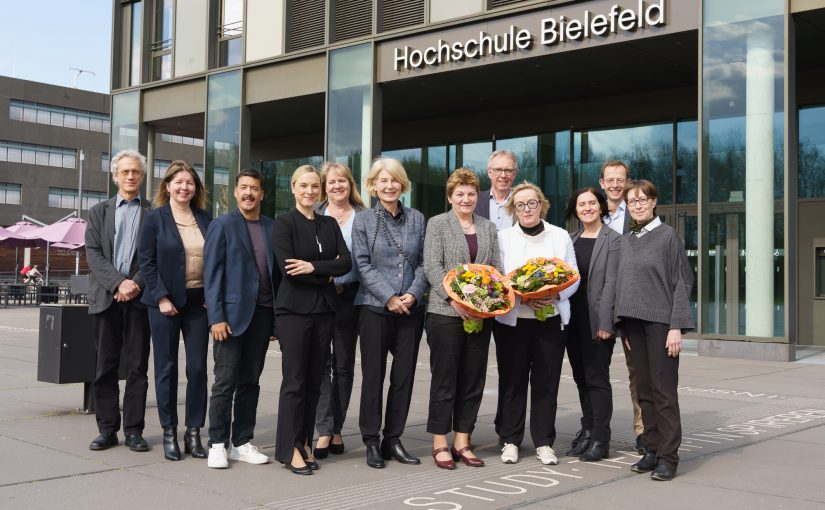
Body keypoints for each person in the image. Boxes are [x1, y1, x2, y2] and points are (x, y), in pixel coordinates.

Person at [272, 165, 352, 475]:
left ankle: (304, 441)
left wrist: (314, 267)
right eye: (303, 185)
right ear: (293, 188)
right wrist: (326, 271)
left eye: (314, 186)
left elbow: (345, 262)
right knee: (294, 382)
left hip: (324, 312)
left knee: (315, 385)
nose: (309, 191)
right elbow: (289, 269)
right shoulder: (283, 225)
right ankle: (289, 448)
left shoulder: (329, 223)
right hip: (294, 312)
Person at [494, 182, 579, 466]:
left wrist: (556, 293)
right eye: (520, 205)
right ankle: (510, 440)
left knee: (546, 382)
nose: (527, 209)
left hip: (550, 322)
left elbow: (573, 275)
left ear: (541, 204)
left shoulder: (560, 235)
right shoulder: (503, 237)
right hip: (515, 322)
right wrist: (522, 298)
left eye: (532, 203)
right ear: (512, 209)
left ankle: (544, 442)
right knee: (513, 381)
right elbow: (500, 279)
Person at [614, 179, 694, 481]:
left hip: (660, 324)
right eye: (631, 202)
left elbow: (682, 282)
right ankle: (651, 448)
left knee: (663, 392)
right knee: (643, 392)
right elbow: (623, 285)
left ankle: (668, 457)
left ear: (653, 201)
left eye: (642, 200)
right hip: (632, 326)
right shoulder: (626, 240)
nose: (637, 205)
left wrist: (676, 326)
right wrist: (621, 327)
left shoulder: (668, 236)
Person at [422, 168, 501, 470]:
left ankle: (462, 441)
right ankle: (440, 442)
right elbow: (432, 266)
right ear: (450, 196)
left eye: (470, 193)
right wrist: (455, 300)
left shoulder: (488, 227)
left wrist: (484, 303)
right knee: (445, 379)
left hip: (480, 316)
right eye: (460, 194)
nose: (466, 198)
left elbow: (494, 268)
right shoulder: (438, 223)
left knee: (472, 380)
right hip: (445, 314)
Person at [351, 157, 427, 469]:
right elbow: (362, 263)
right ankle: (371, 440)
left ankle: (392, 439)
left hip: (411, 308)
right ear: (372, 186)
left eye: (394, 180)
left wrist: (412, 293)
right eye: (383, 181)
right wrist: (389, 297)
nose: (389, 185)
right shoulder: (364, 220)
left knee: (404, 377)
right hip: (374, 307)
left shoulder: (417, 218)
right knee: (374, 376)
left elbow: (424, 260)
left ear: (402, 184)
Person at [204, 168, 278, 469]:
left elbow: (277, 278)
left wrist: (275, 321)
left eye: (255, 188)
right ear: (235, 192)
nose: (249, 193)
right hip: (230, 319)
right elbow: (212, 275)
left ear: (262, 194)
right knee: (225, 382)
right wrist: (216, 317)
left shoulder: (273, 228)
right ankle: (217, 443)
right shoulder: (222, 225)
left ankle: (242, 442)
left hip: (262, 316)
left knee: (250, 381)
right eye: (243, 187)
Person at [138, 160, 212, 461]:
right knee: (166, 369)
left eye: (190, 183)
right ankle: (169, 430)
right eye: (179, 182)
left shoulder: (206, 218)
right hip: (164, 304)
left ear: (196, 188)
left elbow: (216, 259)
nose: (184, 187)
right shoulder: (154, 219)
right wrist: (161, 297)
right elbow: (147, 262)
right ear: (167, 186)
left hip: (199, 304)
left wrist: (212, 296)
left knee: (197, 370)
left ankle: (194, 431)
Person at [85, 149, 151, 453]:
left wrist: (133, 283)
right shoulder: (99, 212)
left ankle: (134, 431)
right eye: (125, 171)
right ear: (116, 176)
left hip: (139, 301)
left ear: (142, 175)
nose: (130, 176)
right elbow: (94, 255)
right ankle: (107, 429)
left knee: (137, 368)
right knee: (105, 368)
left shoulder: (153, 213)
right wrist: (118, 283)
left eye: (135, 171)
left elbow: (155, 257)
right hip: (107, 299)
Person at [563, 187, 621, 461]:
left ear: (601, 206)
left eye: (592, 203)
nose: (587, 207)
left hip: (597, 321)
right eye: (581, 204)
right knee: (580, 378)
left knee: (597, 379)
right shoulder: (570, 239)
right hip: (571, 320)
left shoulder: (614, 240)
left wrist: (607, 323)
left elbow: (613, 283)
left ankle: (601, 438)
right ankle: (587, 430)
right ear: (575, 209)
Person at [312, 162, 366, 459]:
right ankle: (323, 428)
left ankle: (336, 429)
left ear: (350, 184)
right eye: (331, 182)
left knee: (344, 366)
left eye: (342, 181)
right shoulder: (314, 214)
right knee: (321, 365)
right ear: (324, 185)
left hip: (352, 297)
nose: (337, 186)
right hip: (320, 296)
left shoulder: (364, 216)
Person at [598, 160, 645, 454]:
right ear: (602, 183)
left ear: (627, 183)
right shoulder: (590, 213)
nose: (615, 185)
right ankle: (595, 427)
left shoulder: (640, 215)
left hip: (630, 305)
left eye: (621, 180)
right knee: (595, 373)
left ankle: (643, 430)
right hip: (598, 306)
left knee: (638, 372)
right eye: (610, 180)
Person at [475, 150, 518, 231]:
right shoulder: (475, 200)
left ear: (514, 174)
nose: (503, 175)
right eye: (498, 170)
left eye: (508, 170)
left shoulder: (523, 202)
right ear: (489, 173)